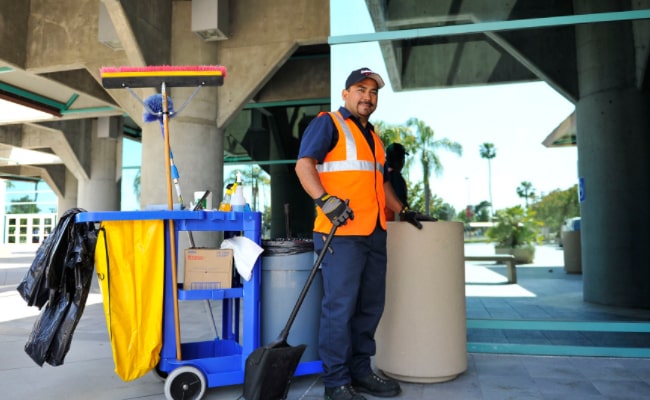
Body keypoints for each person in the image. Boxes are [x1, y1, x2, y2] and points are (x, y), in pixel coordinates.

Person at [295, 67, 422, 400]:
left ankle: (360, 371)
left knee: (370, 306)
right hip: (341, 233)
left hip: (374, 231)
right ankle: (336, 382)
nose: (368, 96)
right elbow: (303, 164)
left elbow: (379, 183)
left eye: (374, 92)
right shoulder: (329, 123)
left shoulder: (374, 138)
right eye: (361, 89)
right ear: (346, 94)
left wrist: (403, 210)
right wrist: (324, 200)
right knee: (340, 308)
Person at [384, 143, 409, 221]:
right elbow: (401, 205)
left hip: (380, 225)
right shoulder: (396, 178)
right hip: (394, 226)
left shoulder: (380, 176)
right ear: (401, 160)